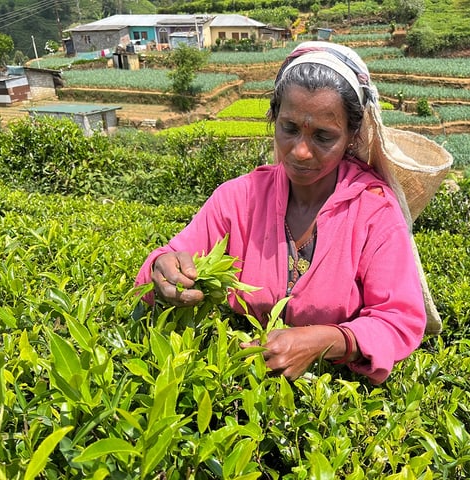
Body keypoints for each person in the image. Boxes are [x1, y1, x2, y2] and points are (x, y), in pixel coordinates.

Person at [135, 42, 450, 384]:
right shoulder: (238, 198)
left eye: (323, 136)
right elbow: (168, 259)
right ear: (274, 118)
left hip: (333, 409)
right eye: (289, 128)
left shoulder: (375, 212)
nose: (300, 152)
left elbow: (396, 320)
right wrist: (163, 271)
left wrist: (328, 341)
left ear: (351, 136)